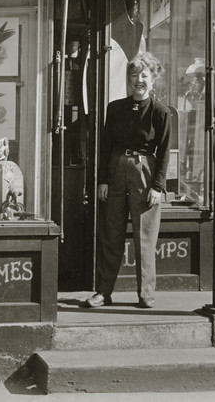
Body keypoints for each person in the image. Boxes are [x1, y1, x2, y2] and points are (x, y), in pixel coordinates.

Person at [82, 52, 172, 309]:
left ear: (153, 79)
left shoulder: (160, 112)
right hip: (117, 169)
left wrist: (157, 186)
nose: (139, 80)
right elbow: (106, 145)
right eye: (134, 75)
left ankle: (145, 294)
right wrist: (103, 180)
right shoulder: (116, 108)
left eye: (144, 75)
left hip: (145, 172)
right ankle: (103, 292)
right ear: (128, 79)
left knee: (145, 236)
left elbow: (164, 152)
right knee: (111, 234)